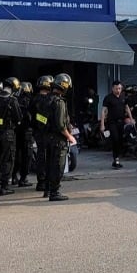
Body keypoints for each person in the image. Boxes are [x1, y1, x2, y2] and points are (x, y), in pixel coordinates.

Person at [44, 73, 76, 201]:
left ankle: (48, 190)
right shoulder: (59, 102)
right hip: (58, 140)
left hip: (48, 137)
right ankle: (54, 192)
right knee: (58, 166)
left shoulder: (47, 99)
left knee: (49, 165)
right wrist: (69, 136)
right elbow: (60, 125)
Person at [100, 81, 132, 169]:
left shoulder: (123, 97)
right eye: (116, 88)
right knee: (115, 139)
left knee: (120, 140)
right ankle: (116, 159)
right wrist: (102, 124)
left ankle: (117, 158)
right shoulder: (108, 98)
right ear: (112, 88)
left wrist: (131, 119)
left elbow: (127, 108)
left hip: (121, 122)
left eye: (120, 88)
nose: (118, 90)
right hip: (112, 122)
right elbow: (103, 111)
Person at [32, 75, 54, 193]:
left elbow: (31, 116)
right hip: (49, 133)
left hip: (38, 133)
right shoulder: (51, 99)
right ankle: (47, 183)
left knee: (41, 157)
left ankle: (41, 181)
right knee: (49, 158)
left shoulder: (34, 99)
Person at [14, 81, 34, 188]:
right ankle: (23, 178)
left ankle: (13, 177)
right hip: (26, 132)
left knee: (15, 155)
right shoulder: (30, 102)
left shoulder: (14, 100)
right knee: (27, 156)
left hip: (15, 132)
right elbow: (31, 117)